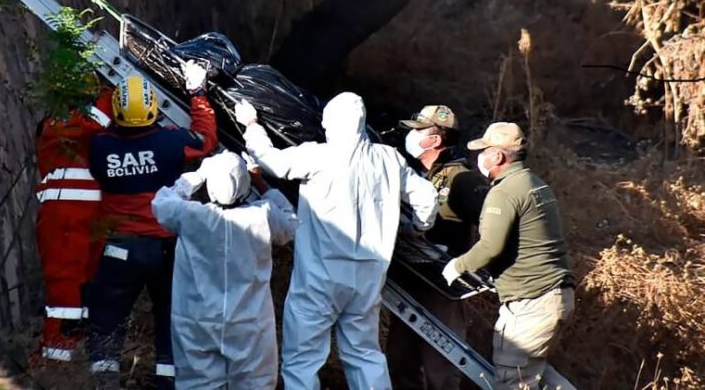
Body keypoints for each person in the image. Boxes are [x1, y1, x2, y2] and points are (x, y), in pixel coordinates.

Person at [235, 92, 439, 390]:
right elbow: (426, 196)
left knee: (302, 360)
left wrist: (251, 124)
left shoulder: (318, 155)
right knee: (365, 354)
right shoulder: (388, 159)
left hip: (320, 276)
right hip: (369, 275)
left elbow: (271, 162)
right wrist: (416, 226)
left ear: (331, 122)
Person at [85, 64, 217, 390]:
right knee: (171, 319)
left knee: (107, 323)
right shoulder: (170, 143)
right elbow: (205, 140)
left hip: (119, 249)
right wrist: (198, 95)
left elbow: (93, 127)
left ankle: (105, 382)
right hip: (166, 248)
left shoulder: (99, 147)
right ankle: (168, 383)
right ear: (153, 109)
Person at [442, 122, 575, 390]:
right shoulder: (536, 184)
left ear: (499, 156)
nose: (479, 157)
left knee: (512, 377)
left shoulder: (503, 192)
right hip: (556, 296)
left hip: (531, 303)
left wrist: (457, 266)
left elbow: (490, 246)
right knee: (535, 373)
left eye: (485, 150)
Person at [151, 151, 298, 389]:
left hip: (197, 321)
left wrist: (197, 175)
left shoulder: (191, 215)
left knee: (197, 384)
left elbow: (161, 203)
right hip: (250, 323)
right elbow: (291, 223)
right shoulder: (263, 215)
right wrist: (260, 181)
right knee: (255, 384)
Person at [387, 105, 488, 390]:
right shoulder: (412, 175)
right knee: (399, 360)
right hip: (409, 279)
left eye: (418, 130)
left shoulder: (461, 179)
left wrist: (471, 263)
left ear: (435, 139)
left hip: (443, 287)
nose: (411, 135)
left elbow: (493, 222)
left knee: (440, 365)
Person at [33, 86, 112, 363]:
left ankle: (71, 351)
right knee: (65, 287)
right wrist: (111, 93)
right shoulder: (58, 124)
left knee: (85, 286)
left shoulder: (80, 130)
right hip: (63, 221)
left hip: (85, 218)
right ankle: (55, 358)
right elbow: (96, 121)